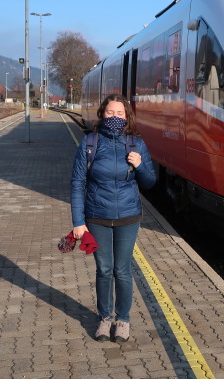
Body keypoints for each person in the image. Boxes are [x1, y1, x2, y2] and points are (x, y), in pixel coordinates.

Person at [70, 94, 156, 342]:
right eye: (110, 113)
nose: (115, 117)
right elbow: (77, 183)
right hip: (96, 217)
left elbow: (150, 183)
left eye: (120, 113)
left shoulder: (136, 144)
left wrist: (140, 166)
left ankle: (123, 320)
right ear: (102, 114)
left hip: (129, 218)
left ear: (126, 117)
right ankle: (105, 318)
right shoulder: (89, 142)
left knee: (122, 270)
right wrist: (78, 222)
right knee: (104, 270)